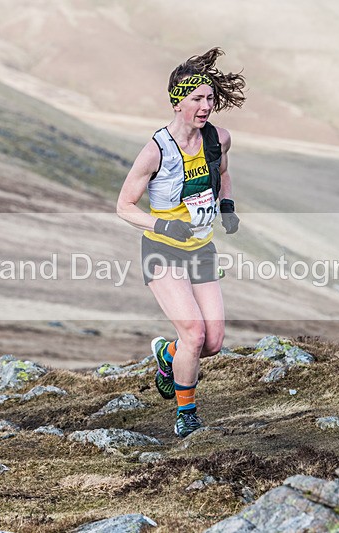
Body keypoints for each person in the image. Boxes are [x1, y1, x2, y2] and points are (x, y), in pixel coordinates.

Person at [116, 47, 246, 438]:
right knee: (193, 332)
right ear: (177, 101)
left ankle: (166, 355)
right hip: (163, 249)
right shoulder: (155, 150)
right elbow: (123, 206)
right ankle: (186, 414)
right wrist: (161, 226)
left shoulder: (218, 138)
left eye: (209, 98)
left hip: (202, 249)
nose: (206, 106)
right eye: (197, 99)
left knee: (213, 342)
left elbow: (222, 172)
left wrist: (227, 206)